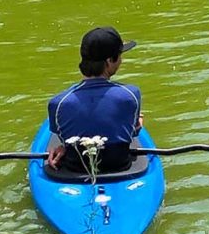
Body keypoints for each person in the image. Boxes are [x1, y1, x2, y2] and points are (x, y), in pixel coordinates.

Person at [45, 26, 144, 174]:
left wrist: (63, 147)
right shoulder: (131, 94)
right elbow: (133, 133)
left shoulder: (57, 103)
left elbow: (62, 138)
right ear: (110, 61)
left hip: (75, 170)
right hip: (120, 167)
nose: (121, 60)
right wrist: (138, 124)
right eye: (120, 55)